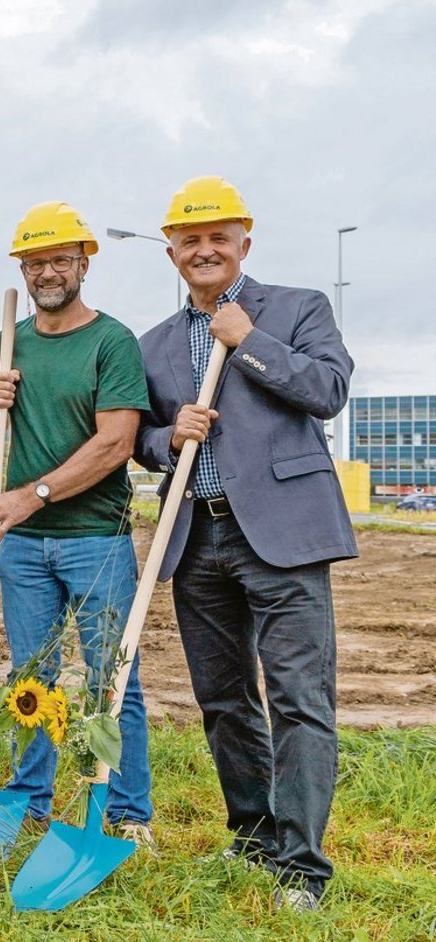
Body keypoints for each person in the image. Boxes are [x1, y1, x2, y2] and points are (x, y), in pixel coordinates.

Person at [134, 176, 357, 911]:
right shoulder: (154, 345)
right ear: (171, 252)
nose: (204, 250)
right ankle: (254, 835)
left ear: (244, 244)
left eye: (218, 238)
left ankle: (302, 866)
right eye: (190, 240)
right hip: (197, 537)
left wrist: (249, 342)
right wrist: (168, 438)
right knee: (224, 699)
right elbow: (139, 436)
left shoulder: (297, 309)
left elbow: (327, 390)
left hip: (283, 536)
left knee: (299, 698)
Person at [0, 202, 154, 845]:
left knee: (113, 680)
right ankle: (30, 802)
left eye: (59, 260)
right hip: (23, 546)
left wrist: (34, 496)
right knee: (31, 681)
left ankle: (127, 814)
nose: (47, 272)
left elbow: (116, 443)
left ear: (83, 265)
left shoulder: (112, 342)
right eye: (35, 263)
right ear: (22, 270)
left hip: (96, 541)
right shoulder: (6, 341)